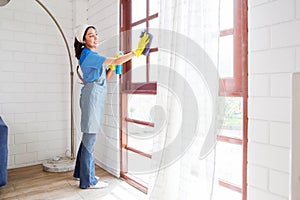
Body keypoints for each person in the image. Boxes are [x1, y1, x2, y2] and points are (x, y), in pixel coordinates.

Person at [73, 24, 150, 189]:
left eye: (96, 34)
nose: (95, 37)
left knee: (87, 137)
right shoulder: (88, 56)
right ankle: (89, 181)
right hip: (91, 100)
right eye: (91, 35)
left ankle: (80, 173)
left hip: (93, 97)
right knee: (90, 140)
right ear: (84, 40)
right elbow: (115, 60)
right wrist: (135, 53)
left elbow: (102, 79)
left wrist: (112, 68)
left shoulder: (91, 55)